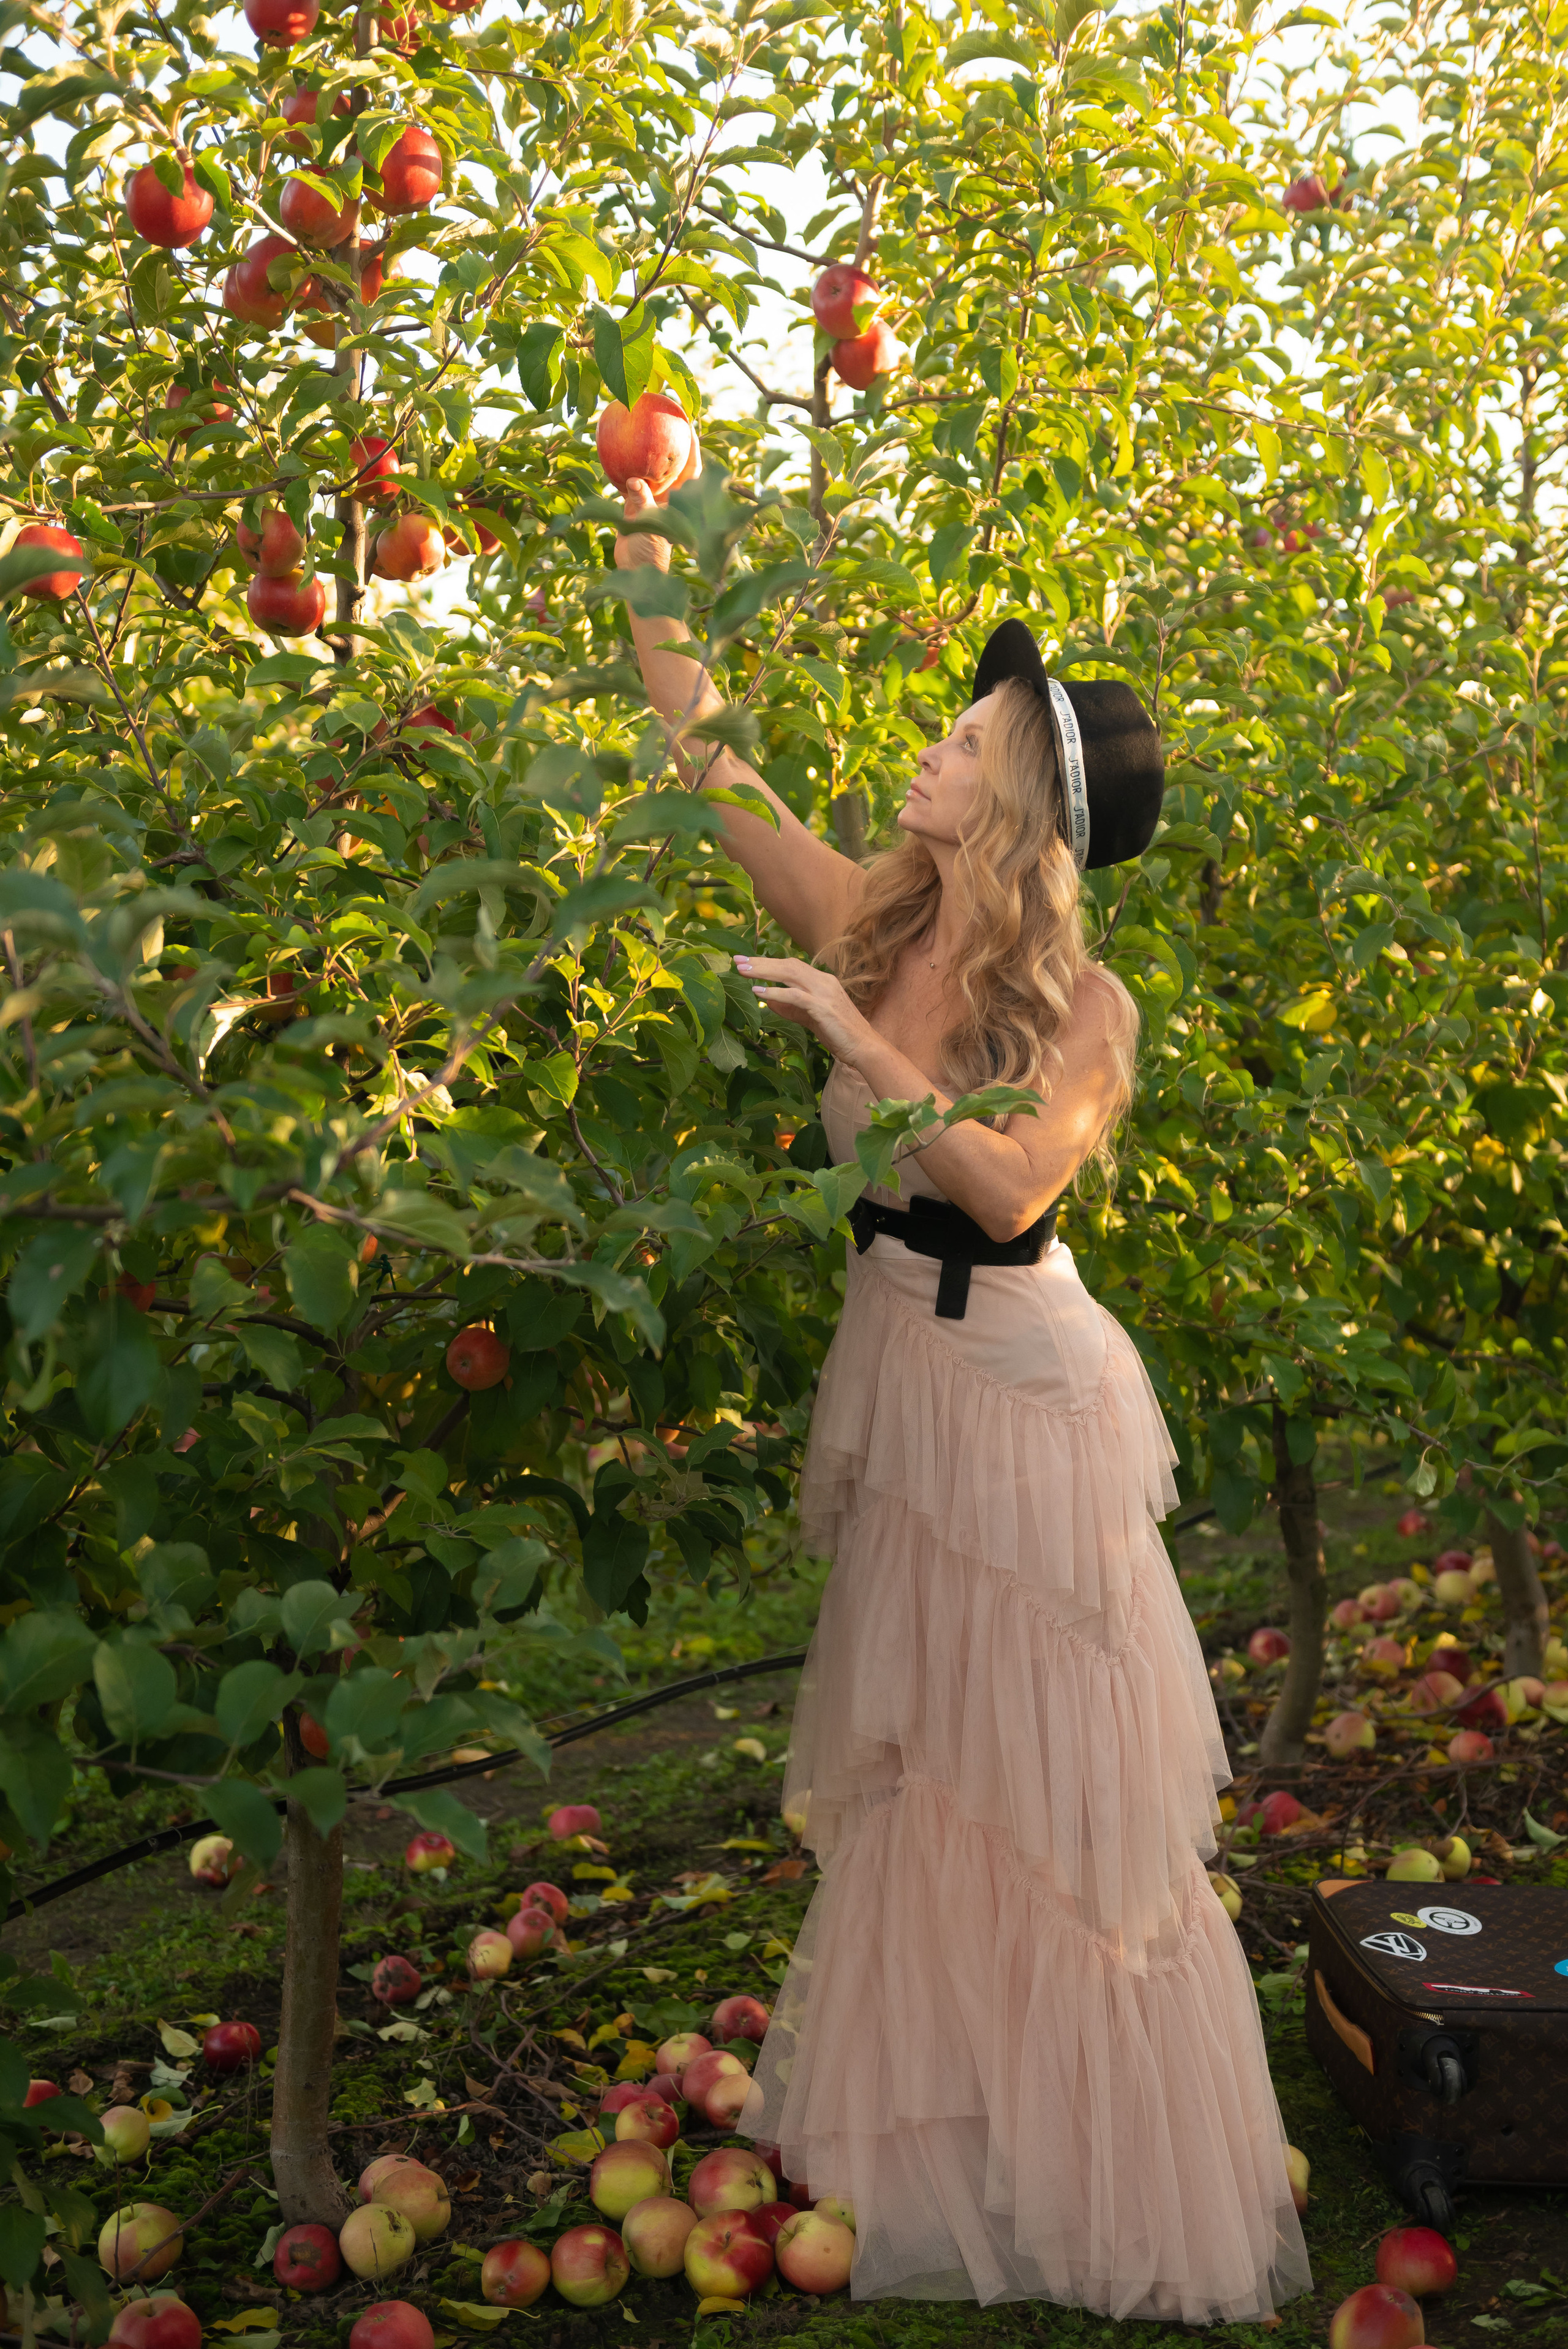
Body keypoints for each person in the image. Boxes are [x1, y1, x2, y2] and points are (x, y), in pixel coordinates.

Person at [614, 478, 1313, 2320]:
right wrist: (645, 527)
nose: (929, 743)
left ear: (1021, 802)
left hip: (1028, 1391)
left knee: (1067, 1814)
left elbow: (1016, 1190)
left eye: (964, 736)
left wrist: (855, 1043)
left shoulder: (1087, 1001)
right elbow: (704, 754)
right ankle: (971, 2153)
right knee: (931, 1782)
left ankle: (1114, 2184)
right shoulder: (865, 913)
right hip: (910, 1387)